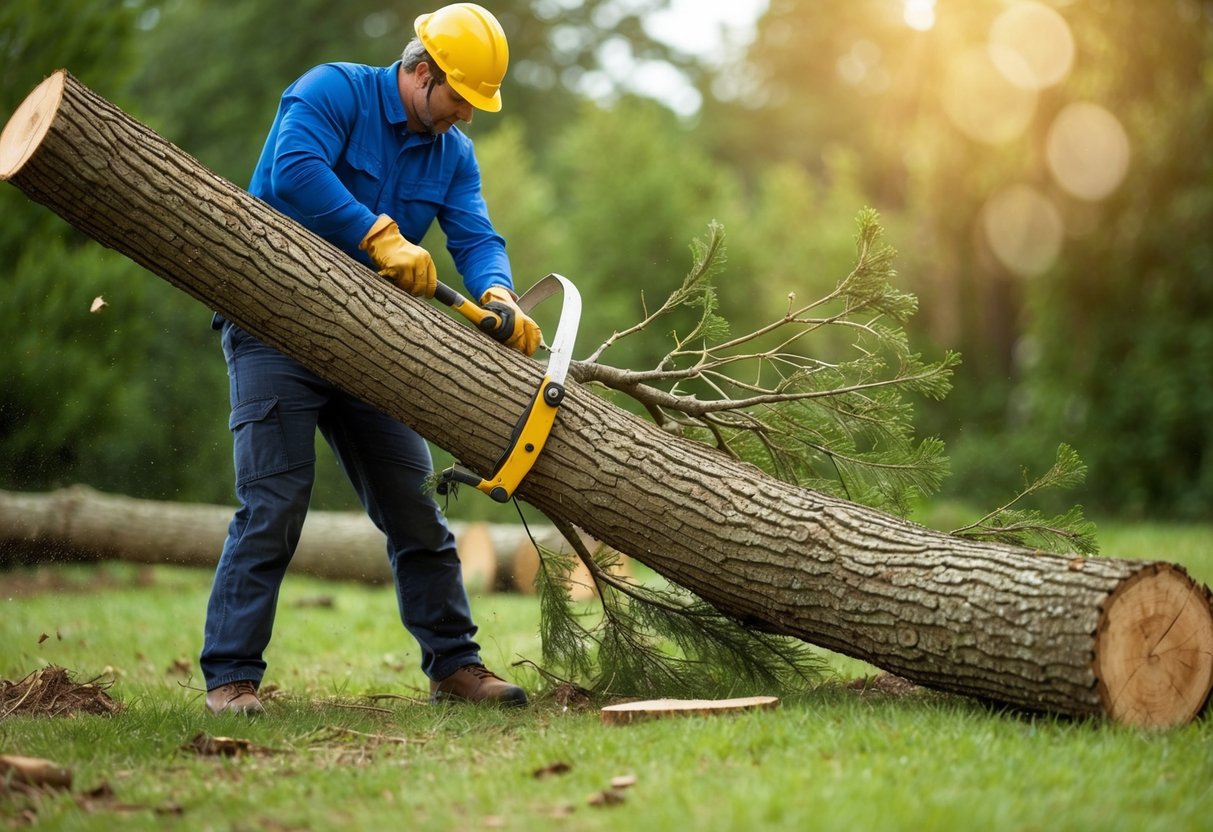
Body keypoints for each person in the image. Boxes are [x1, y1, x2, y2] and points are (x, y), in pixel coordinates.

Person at [201, 3, 540, 715]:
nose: (465, 118)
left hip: (365, 343)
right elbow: (293, 170)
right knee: (275, 502)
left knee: (415, 509)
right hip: (274, 325)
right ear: (421, 71)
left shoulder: (452, 153)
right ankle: (231, 678)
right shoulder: (332, 90)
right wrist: (378, 233)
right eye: (459, 100)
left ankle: (455, 666)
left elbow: (475, 233)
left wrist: (499, 291)